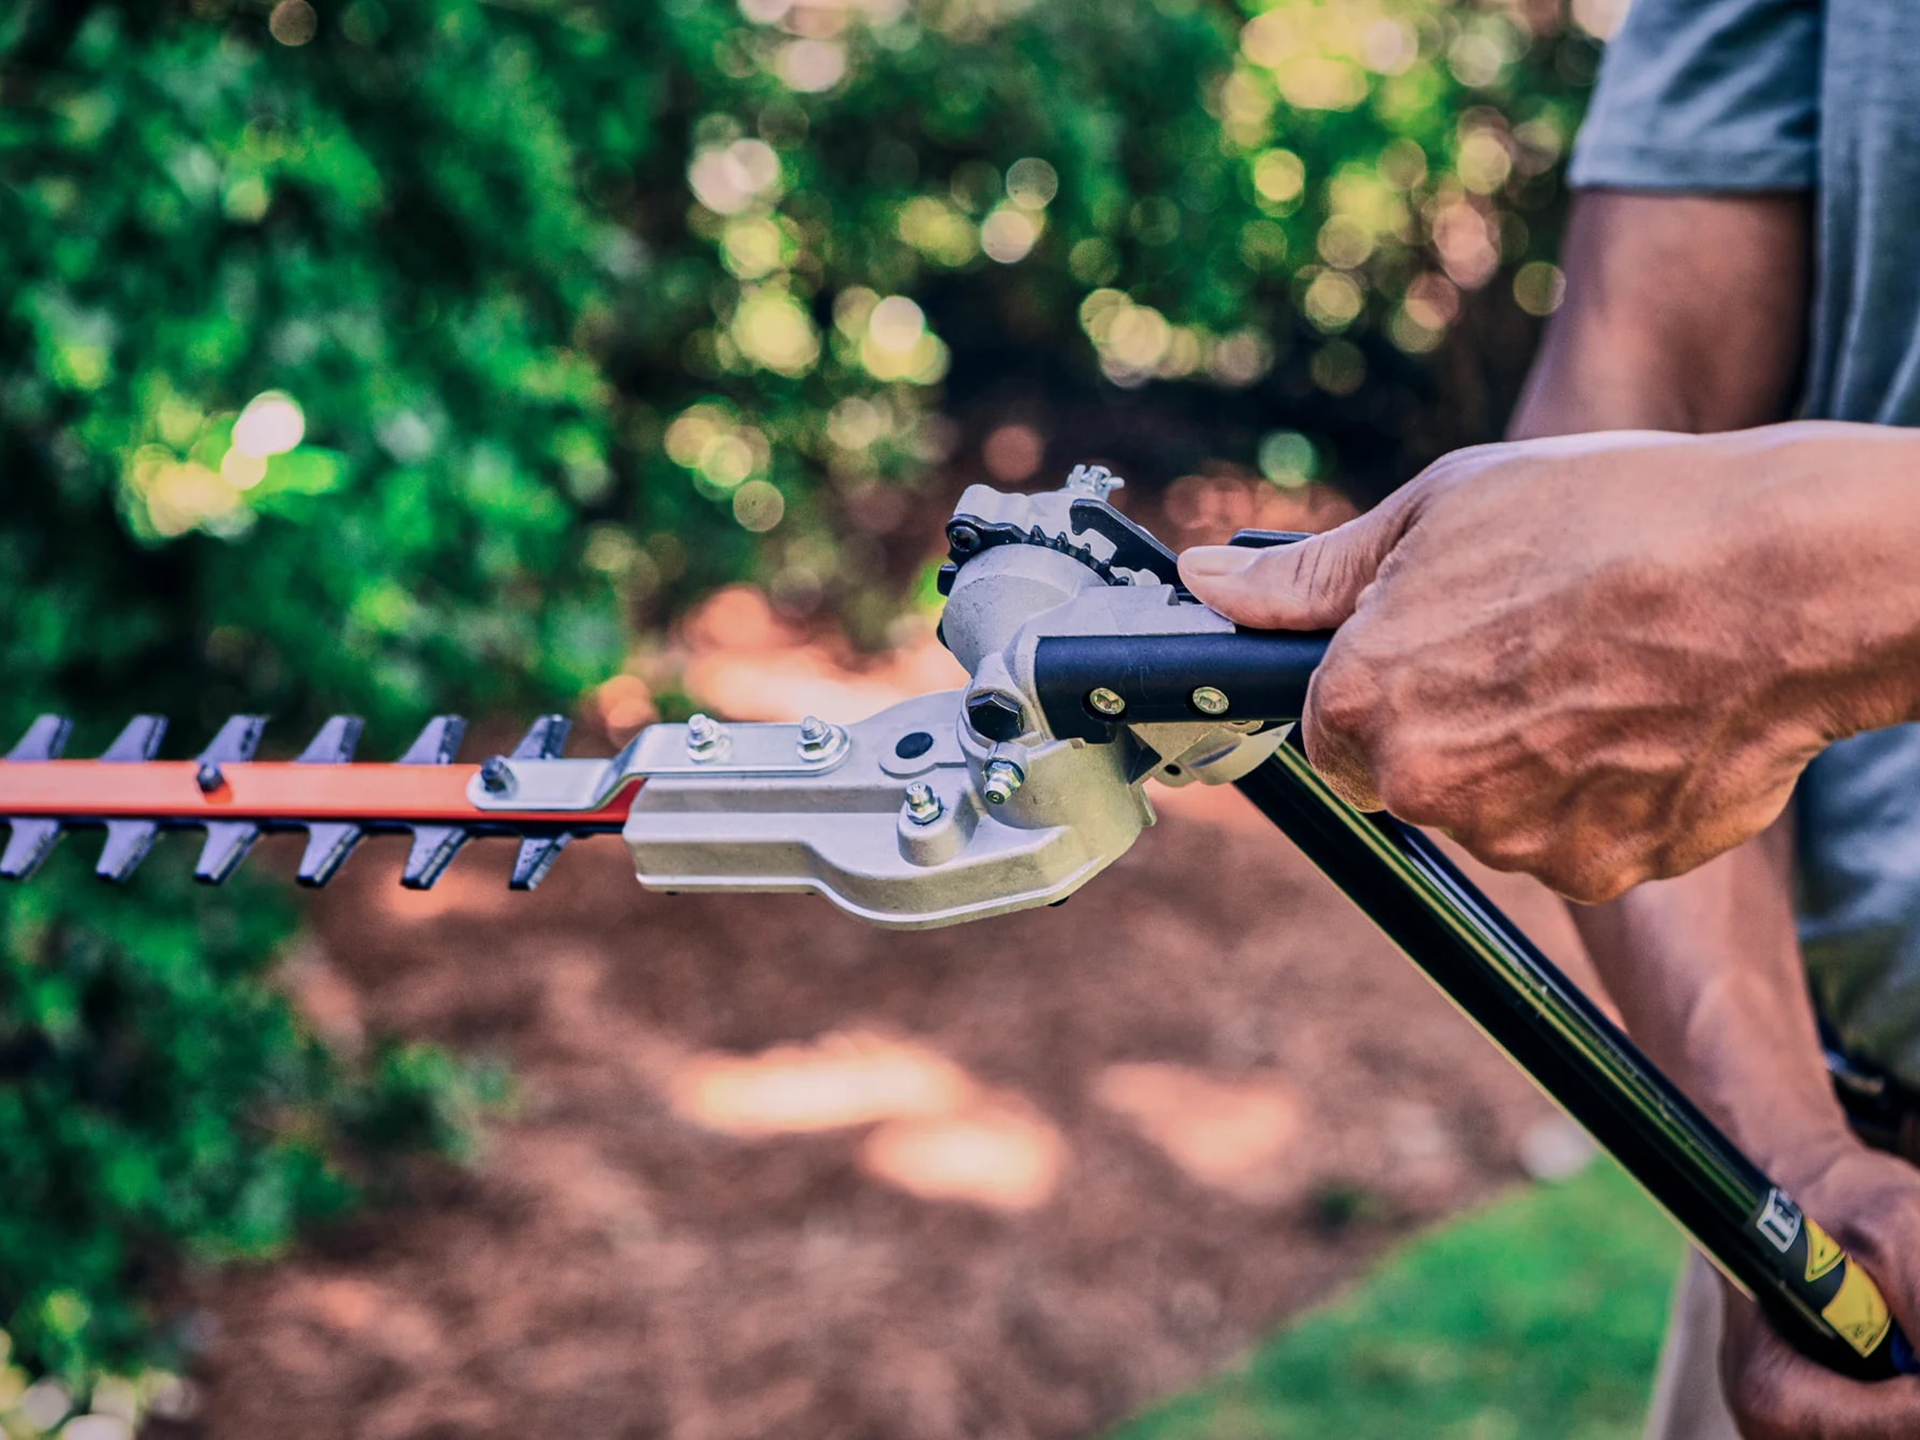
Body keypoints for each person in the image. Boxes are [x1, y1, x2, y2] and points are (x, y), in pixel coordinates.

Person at [1179, 4, 1920, 1436]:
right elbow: (1634, 394)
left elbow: (1715, 561)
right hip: (1842, 1243)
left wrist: (1807, 580)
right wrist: (1798, 1181)